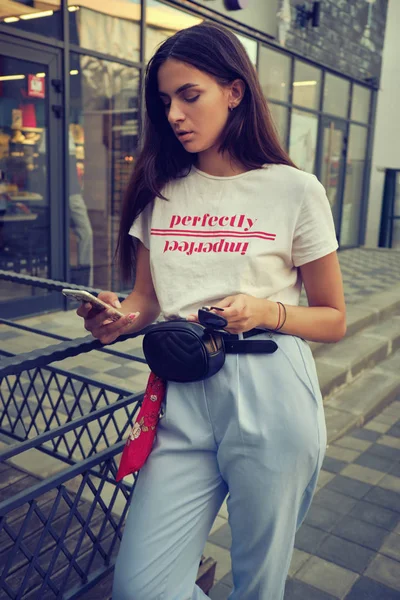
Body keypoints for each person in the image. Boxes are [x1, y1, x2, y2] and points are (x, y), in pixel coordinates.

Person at [77, 21, 346, 600]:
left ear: (234, 90)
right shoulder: (159, 189)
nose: (174, 114)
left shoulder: (294, 191)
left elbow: (333, 318)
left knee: (258, 584)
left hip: (270, 389)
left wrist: (265, 310)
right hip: (182, 393)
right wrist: (116, 319)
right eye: (165, 101)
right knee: (141, 586)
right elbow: (147, 301)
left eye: (189, 95)